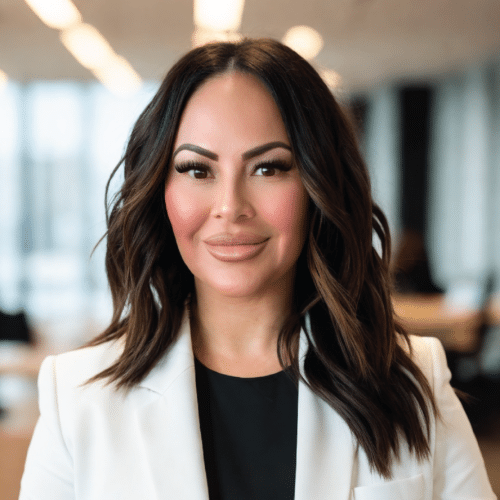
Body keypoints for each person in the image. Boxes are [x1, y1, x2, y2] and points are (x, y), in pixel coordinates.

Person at [20, 39, 495, 500]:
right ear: (159, 189)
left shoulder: (411, 379)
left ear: (317, 185)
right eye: (197, 170)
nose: (230, 207)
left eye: (268, 168)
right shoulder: (78, 398)